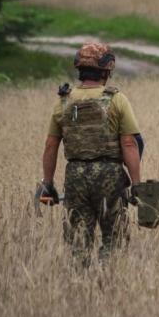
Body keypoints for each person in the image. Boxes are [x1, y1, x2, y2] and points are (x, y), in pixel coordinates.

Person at [41, 42, 141, 265]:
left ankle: (80, 285)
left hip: (75, 176)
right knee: (113, 239)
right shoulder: (116, 99)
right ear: (107, 70)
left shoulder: (64, 101)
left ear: (80, 70)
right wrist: (136, 184)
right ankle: (107, 281)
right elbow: (129, 143)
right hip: (110, 176)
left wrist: (47, 183)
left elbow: (50, 145)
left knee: (78, 241)